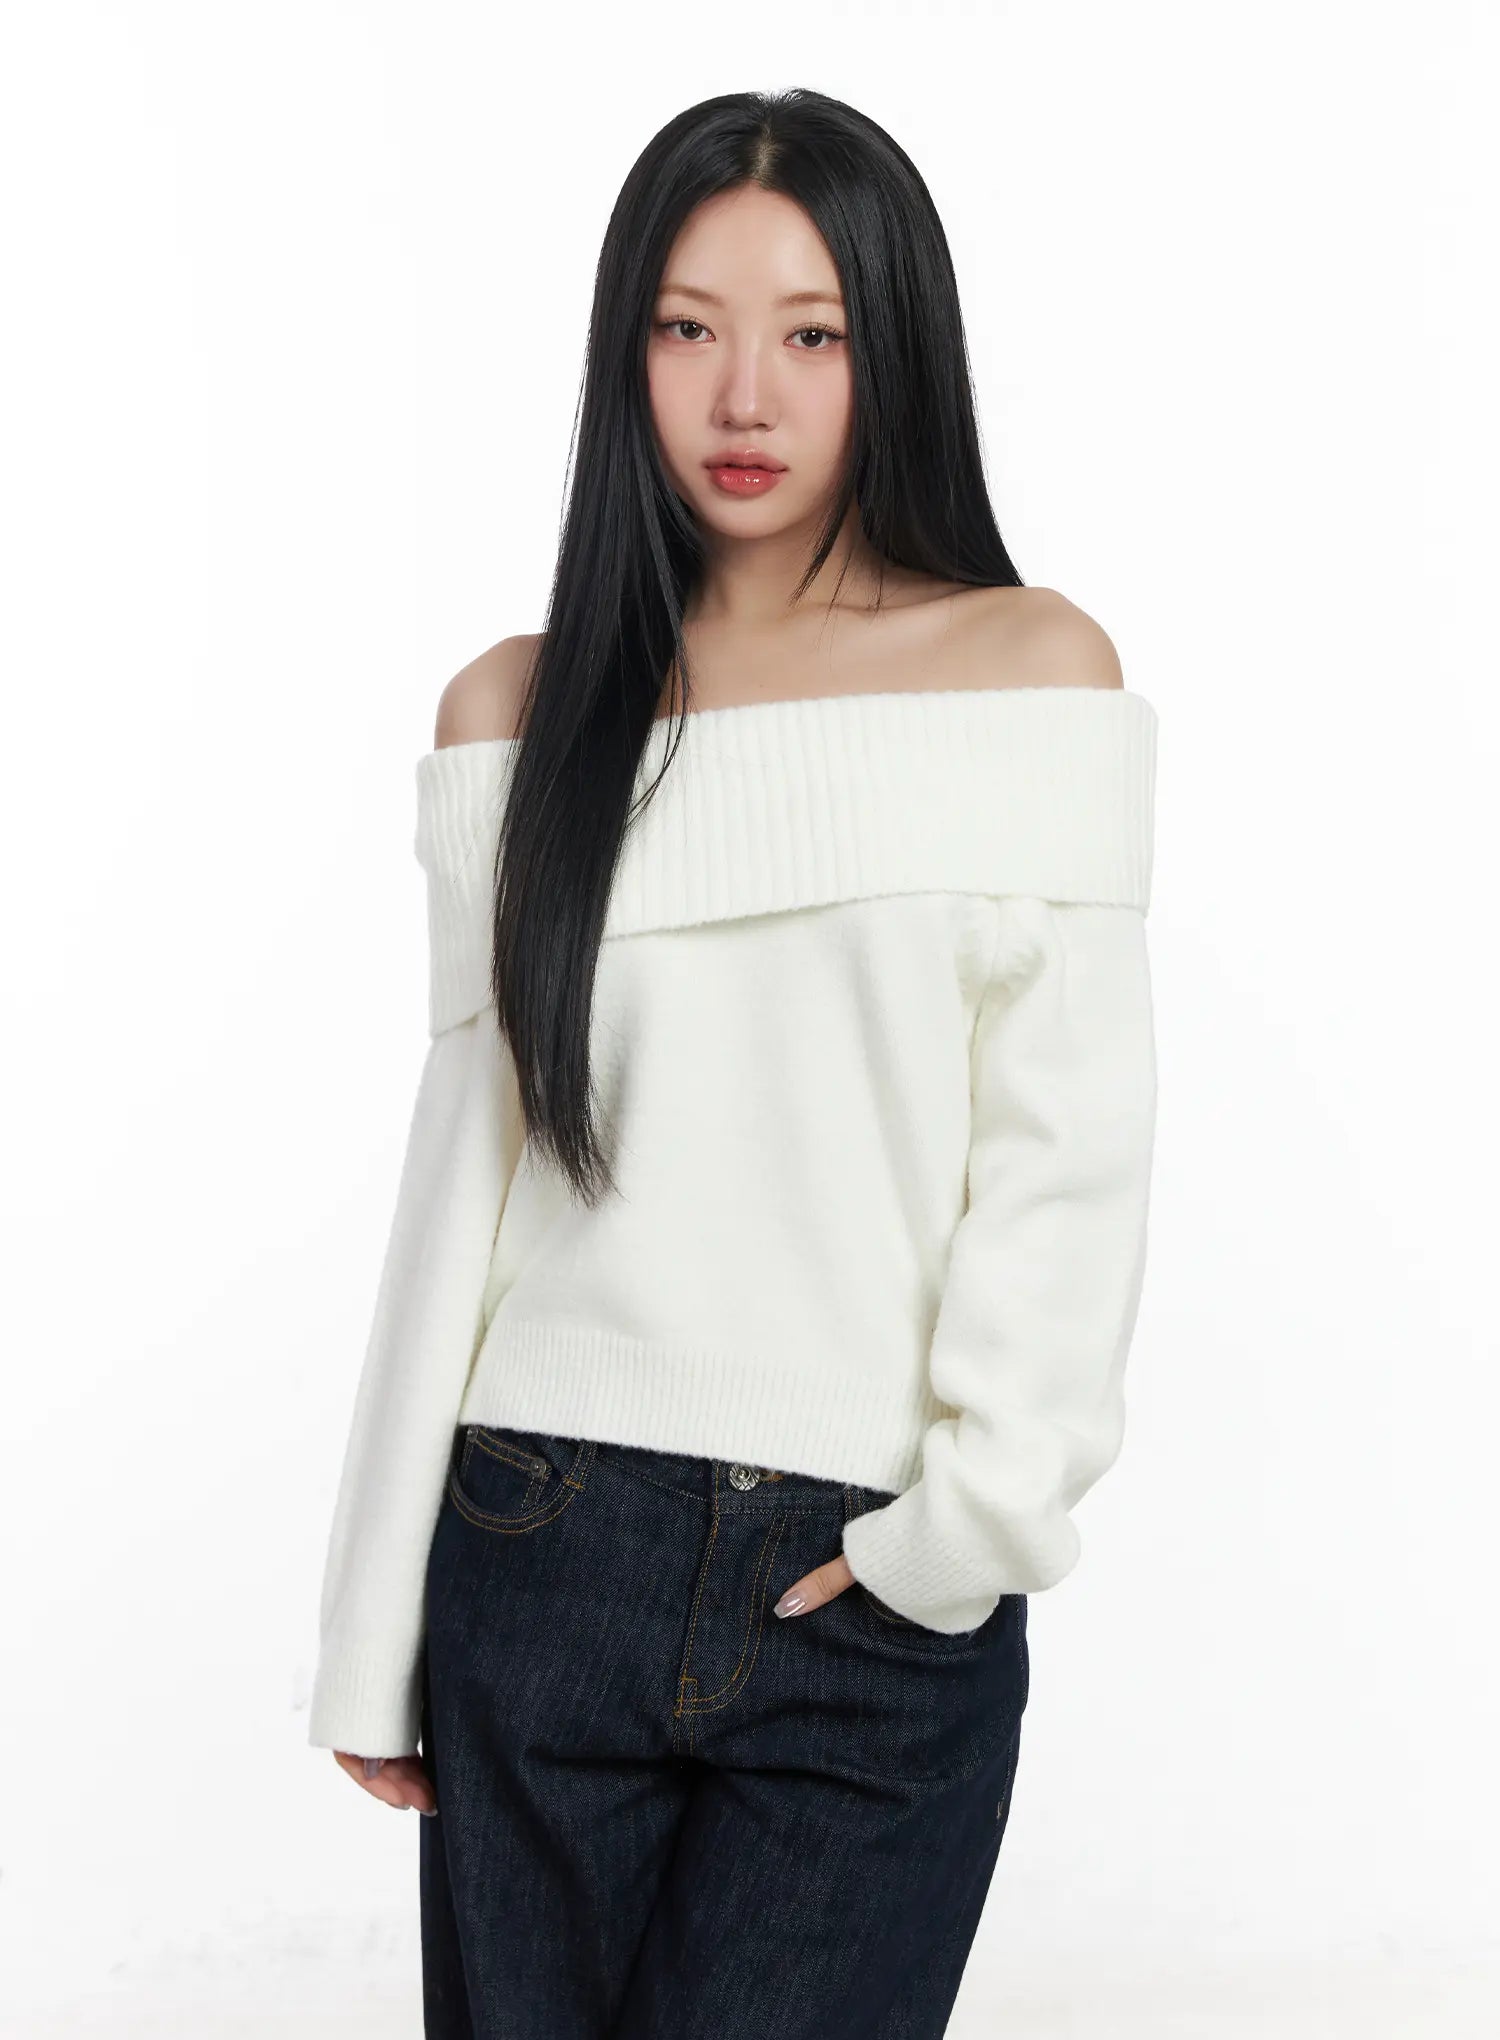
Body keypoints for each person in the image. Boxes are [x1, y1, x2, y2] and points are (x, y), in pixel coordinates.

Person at [308, 86, 1159, 2040]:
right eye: (688, 327)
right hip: (542, 1541)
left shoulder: (1033, 674)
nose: (744, 393)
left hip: (869, 1587)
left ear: (896, 349)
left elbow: (1070, 1159)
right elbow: (470, 1171)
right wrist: (370, 1629)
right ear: (627, 354)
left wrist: (963, 1534)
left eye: (813, 332)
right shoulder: (520, 709)